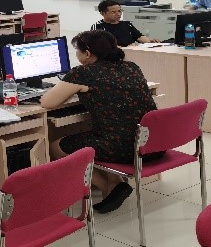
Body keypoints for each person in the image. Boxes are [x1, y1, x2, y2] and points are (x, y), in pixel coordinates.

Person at [40, 30, 161, 214]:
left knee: (55, 146)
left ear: (87, 53)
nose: (77, 54)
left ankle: (109, 187)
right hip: (151, 144)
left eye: (78, 51)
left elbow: (47, 102)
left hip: (123, 149)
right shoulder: (131, 67)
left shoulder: (82, 73)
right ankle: (115, 182)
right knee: (107, 132)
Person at [90, 0, 158, 47]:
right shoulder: (98, 26)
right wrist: (125, 49)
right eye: (113, 12)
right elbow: (100, 46)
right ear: (102, 13)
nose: (118, 14)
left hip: (132, 53)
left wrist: (149, 42)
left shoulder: (126, 24)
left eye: (119, 11)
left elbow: (139, 36)